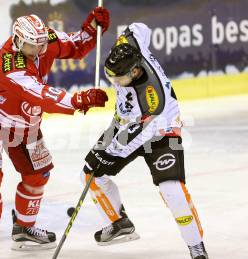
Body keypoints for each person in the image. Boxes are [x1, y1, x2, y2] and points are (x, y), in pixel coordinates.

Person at [0, 7, 111, 258]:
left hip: (24, 122)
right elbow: (42, 95)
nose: (39, 51)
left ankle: (24, 228)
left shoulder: (44, 40)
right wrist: (80, 99)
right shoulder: (8, 66)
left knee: (38, 175)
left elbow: (75, 45)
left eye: (42, 44)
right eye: (32, 47)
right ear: (17, 41)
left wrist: (91, 29)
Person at [81, 23, 208, 259]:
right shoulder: (131, 48)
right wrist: (125, 37)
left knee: (172, 190)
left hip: (161, 130)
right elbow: (140, 28)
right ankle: (119, 223)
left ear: (135, 72)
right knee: (89, 173)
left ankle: (196, 246)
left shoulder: (152, 98)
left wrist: (110, 153)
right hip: (124, 123)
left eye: (118, 78)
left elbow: (137, 136)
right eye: (111, 77)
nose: (114, 82)